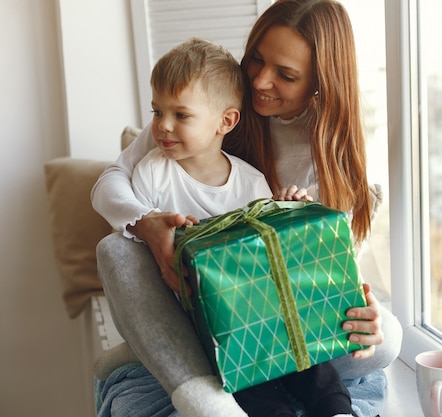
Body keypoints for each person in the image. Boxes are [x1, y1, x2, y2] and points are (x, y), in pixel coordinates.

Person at [92, 1, 403, 416]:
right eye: (257, 58)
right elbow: (110, 181)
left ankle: (145, 349)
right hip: (188, 298)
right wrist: (147, 224)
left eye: (286, 75)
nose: (259, 79)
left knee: (390, 340)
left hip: (261, 309)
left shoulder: (326, 158)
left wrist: (363, 311)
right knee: (114, 249)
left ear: (319, 82)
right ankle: (199, 391)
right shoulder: (195, 111)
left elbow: (317, 275)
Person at [130, 36, 357, 417]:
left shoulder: (251, 182)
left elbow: (273, 256)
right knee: (250, 385)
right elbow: (140, 252)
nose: (163, 126)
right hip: (204, 319)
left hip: (259, 308)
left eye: (180, 115)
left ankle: (337, 411)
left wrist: (289, 211)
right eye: (157, 112)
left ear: (226, 121)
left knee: (313, 365)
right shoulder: (151, 174)